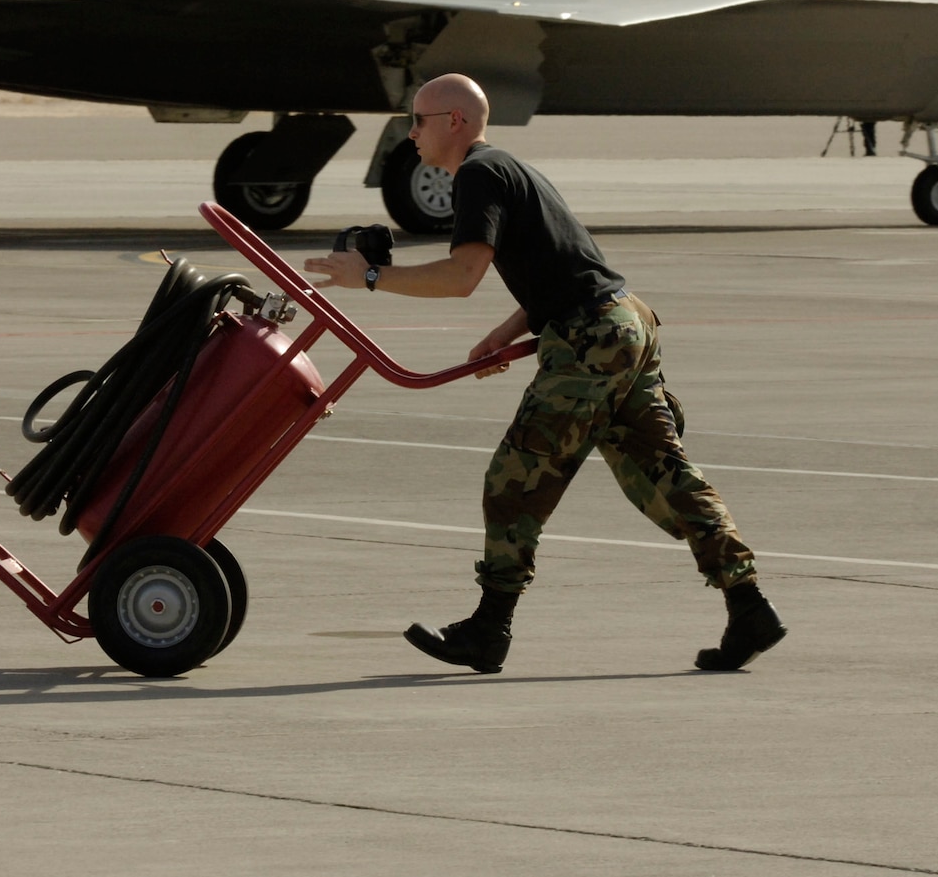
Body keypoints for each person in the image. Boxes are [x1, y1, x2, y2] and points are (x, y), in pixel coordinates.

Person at [303, 73, 785, 673]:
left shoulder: (479, 176)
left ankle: (488, 628)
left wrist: (368, 278)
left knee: (517, 477)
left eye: (418, 120)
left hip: (591, 339)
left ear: (455, 121)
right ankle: (750, 606)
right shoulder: (509, 168)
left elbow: (460, 278)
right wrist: (504, 334)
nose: (411, 133)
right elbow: (569, 266)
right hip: (622, 322)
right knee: (662, 474)